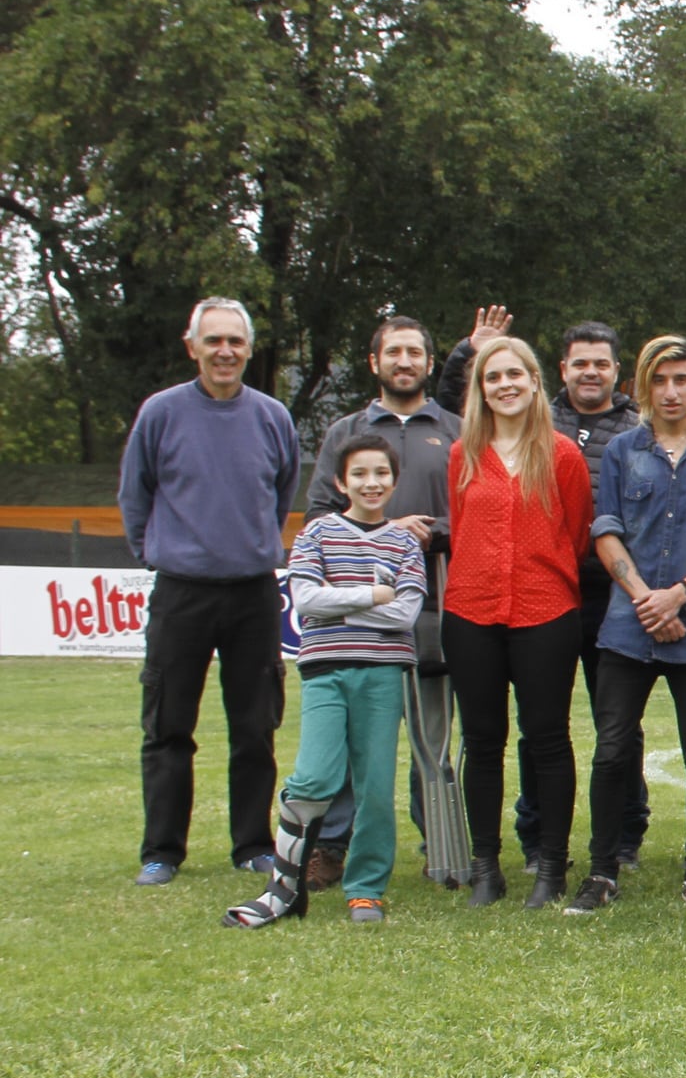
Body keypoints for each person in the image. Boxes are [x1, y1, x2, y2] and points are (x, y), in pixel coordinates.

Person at [566, 336, 686, 916]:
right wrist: (647, 598)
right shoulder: (623, 451)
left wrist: (681, 594)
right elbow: (605, 527)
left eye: (681, 380)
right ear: (643, 386)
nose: (671, 391)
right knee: (612, 749)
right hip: (628, 622)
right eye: (660, 381)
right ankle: (600, 872)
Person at [120, 297, 299, 885]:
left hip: (252, 592)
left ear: (249, 349)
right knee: (169, 725)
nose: (225, 351)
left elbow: (281, 492)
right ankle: (162, 851)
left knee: (255, 727)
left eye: (236, 342)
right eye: (213, 340)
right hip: (182, 594)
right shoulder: (161, 413)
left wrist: (252, 546)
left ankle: (252, 844)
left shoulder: (272, 416)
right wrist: (155, 551)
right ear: (191, 345)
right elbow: (136, 493)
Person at [225, 436, 426, 927]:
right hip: (324, 670)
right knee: (314, 778)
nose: (371, 482)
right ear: (341, 481)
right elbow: (308, 601)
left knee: (376, 786)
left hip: (382, 672)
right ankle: (285, 888)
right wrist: (373, 594)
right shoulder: (317, 534)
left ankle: (365, 889)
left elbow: (405, 613)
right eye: (359, 473)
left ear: (393, 481)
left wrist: (349, 601)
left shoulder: (404, 543)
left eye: (381, 473)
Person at [302, 317, 461, 887]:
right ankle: (330, 847)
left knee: (432, 730)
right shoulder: (346, 431)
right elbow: (319, 513)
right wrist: (388, 527)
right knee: (351, 740)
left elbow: (473, 513)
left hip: (434, 607)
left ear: (429, 363)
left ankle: (437, 841)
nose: (404, 361)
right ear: (375, 362)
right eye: (393, 352)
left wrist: (431, 530)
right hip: (357, 623)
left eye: (415, 352)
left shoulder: (457, 429)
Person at [441, 336, 594, 907]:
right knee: (482, 742)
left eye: (515, 375)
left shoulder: (561, 455)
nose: (505, 385)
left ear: (535, 382)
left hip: (545, 610)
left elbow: (575, 532)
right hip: (471, 611)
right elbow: (461, 528)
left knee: (547, 739)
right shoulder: (463, 455)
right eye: (492, 377)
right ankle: (486, 866)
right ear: (481, 389)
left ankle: (551, 865)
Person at [505, 320, 651, 870]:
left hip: (616, 595)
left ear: (617, 370)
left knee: (619, 723)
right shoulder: (535, 422)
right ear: (561, 370)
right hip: (545, 594)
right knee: (540, 722)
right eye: (579, 363)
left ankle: (624, 835)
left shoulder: (638, 427)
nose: (591, 372)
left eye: (601, 363)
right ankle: (538, 834)